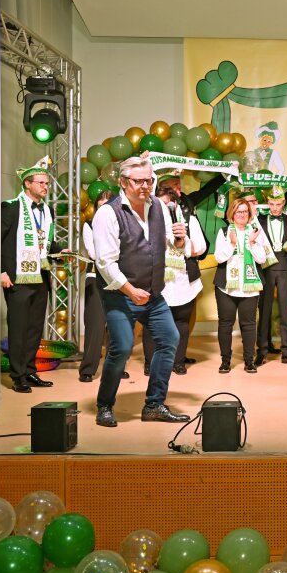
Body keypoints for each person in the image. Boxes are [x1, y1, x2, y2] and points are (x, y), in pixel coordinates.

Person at [91, 154, 192, 427]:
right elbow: (105, 263)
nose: (145, 186)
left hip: (153, 293)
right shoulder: (108, 214)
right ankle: (104, 405)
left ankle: (154, 405)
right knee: (122, 347)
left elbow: (170, 244)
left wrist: (180, 241)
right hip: (119, 293)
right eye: (139, 181)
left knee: (169, 339)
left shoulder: (159, 206)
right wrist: (129, 290)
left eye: (149, 180)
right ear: (124, 182)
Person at [0, 157, 64, 393]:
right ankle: (18, 376)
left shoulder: (47, 210)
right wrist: (1, 271)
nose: (46, 187)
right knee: (18, 328)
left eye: (47, 183)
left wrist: (60, 251)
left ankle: (29, 370)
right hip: (17, 277)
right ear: (27, 184)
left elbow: (44, 242)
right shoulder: (10, 208)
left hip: (40, 275)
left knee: (35, 327)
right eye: (41, 183)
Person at [140, 175, 208, 376]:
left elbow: (200, 248)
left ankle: (178, 361)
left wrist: (183, 241)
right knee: (152, 323)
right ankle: (150, 362)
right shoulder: (146, 222)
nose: (164, 208)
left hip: (183, 281)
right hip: (156, 281)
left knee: (181, 323)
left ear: (176, 205)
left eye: (168, 204)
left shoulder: (189, 221)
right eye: (160, 204)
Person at [79, 189, 130, 382]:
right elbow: (95, 254)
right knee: (95, 325)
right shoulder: (89, 225)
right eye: (100, 207)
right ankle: (87, 369)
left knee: (118, 325)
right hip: (96, 278)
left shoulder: (124, 225)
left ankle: (117, 368)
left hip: (119, 278)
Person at [213, 197, 268, 374]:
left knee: (249, 324)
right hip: (226, 287)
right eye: (239, 211)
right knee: (225, 324)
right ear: (232, 213)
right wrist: (232, 244)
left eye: (245, 211)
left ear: (249, 214)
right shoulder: (224, 232)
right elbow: (219, 258)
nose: (242, 215)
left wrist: (251, 243)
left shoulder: (256, 232)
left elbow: (262, 259)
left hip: (249, 287)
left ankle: (249, 361)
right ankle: (225, 361)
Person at [254, 186, 287, 366]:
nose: (275, 208)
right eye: (272, 204)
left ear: (284, 203)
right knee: (264, 311)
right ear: (268, 203)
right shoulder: (258, 220)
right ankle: (262, 351)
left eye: (278, 204)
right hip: (266, 269)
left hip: (285, 269)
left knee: (285, 311)